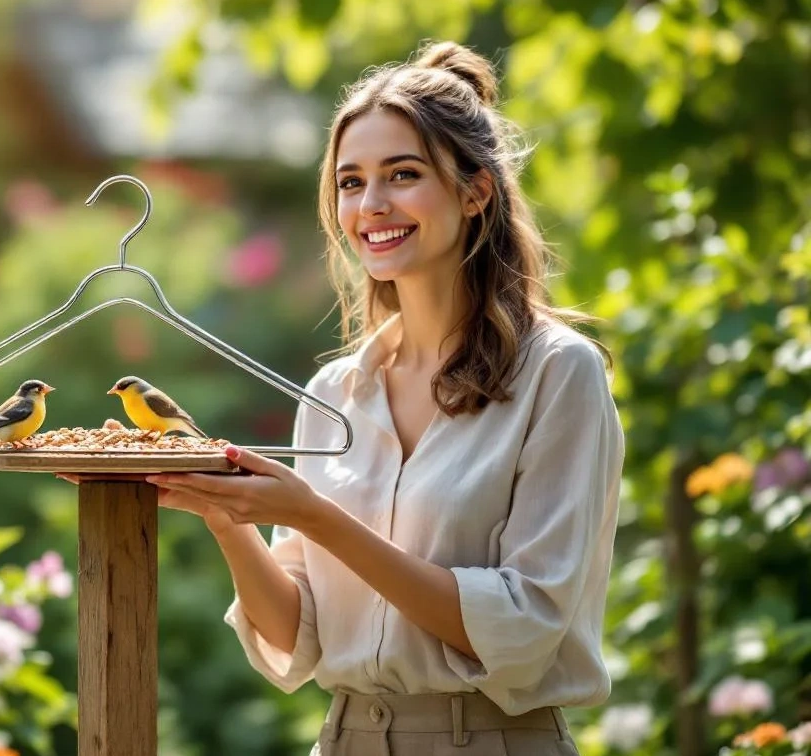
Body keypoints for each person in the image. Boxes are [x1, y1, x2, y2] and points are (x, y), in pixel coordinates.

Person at [131, 40, 623, 755]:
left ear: (475, 190)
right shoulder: (336, 391)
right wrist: (227, 517)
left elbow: (524, 627)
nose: (372, 205)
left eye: (403, 174)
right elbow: (296, 637)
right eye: (351, 181)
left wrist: (316, 517)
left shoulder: (558, 375)